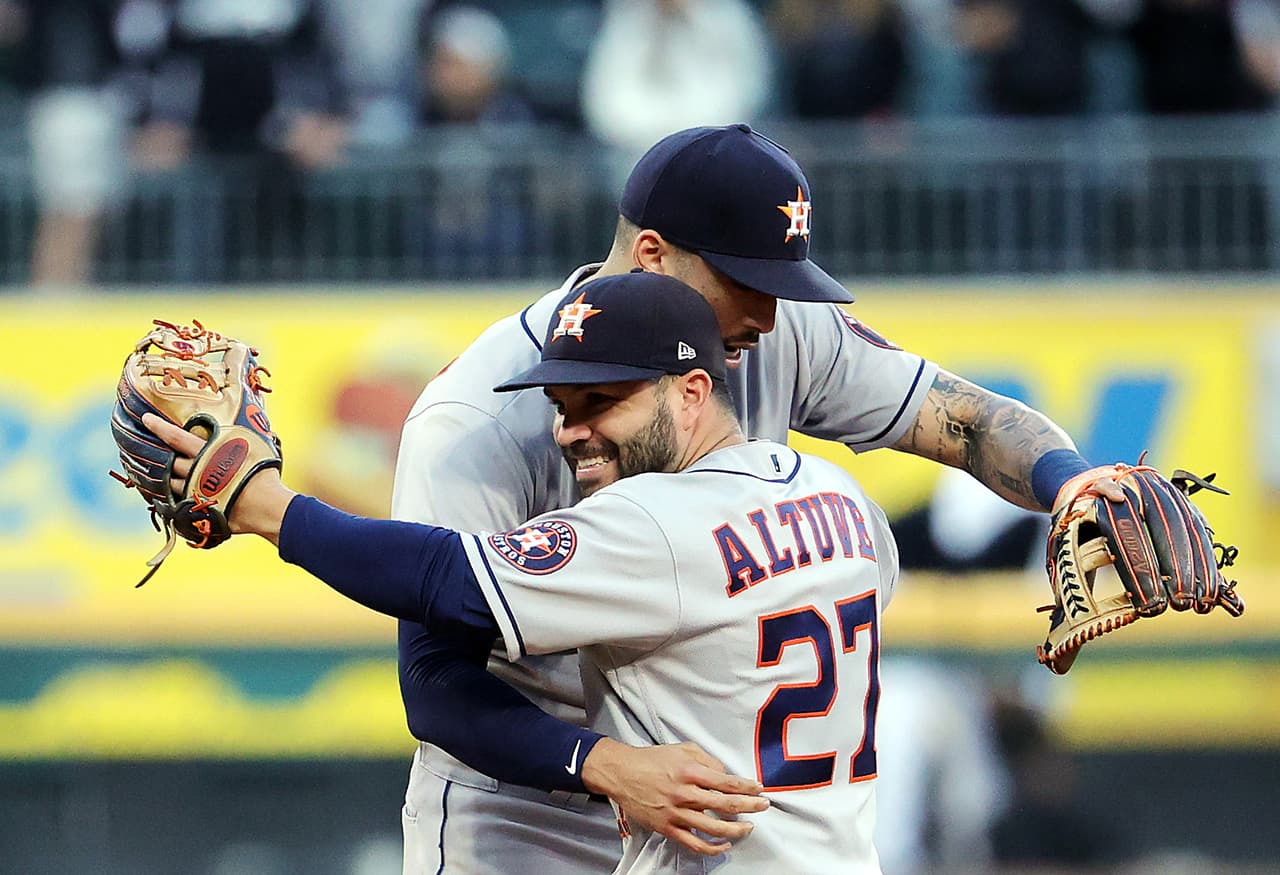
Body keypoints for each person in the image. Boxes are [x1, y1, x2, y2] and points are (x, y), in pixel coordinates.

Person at [377, 122, 1140, 875]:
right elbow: (434, 685)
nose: (769, 314)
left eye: (781, 284)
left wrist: (1072, 481)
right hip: (524, 808)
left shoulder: (770, 333)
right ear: (652, 258)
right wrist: (601, 763)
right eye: (747, 281)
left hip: (706, 805)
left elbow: (967, 420)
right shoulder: (479, 418)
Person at [145, 270, 899, 872]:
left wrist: (262, 503)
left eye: (603, 400)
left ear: (693, 391)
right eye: (562, 405)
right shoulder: (840, 497)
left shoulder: (654, 524)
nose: (573, 432)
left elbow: (445, 578)